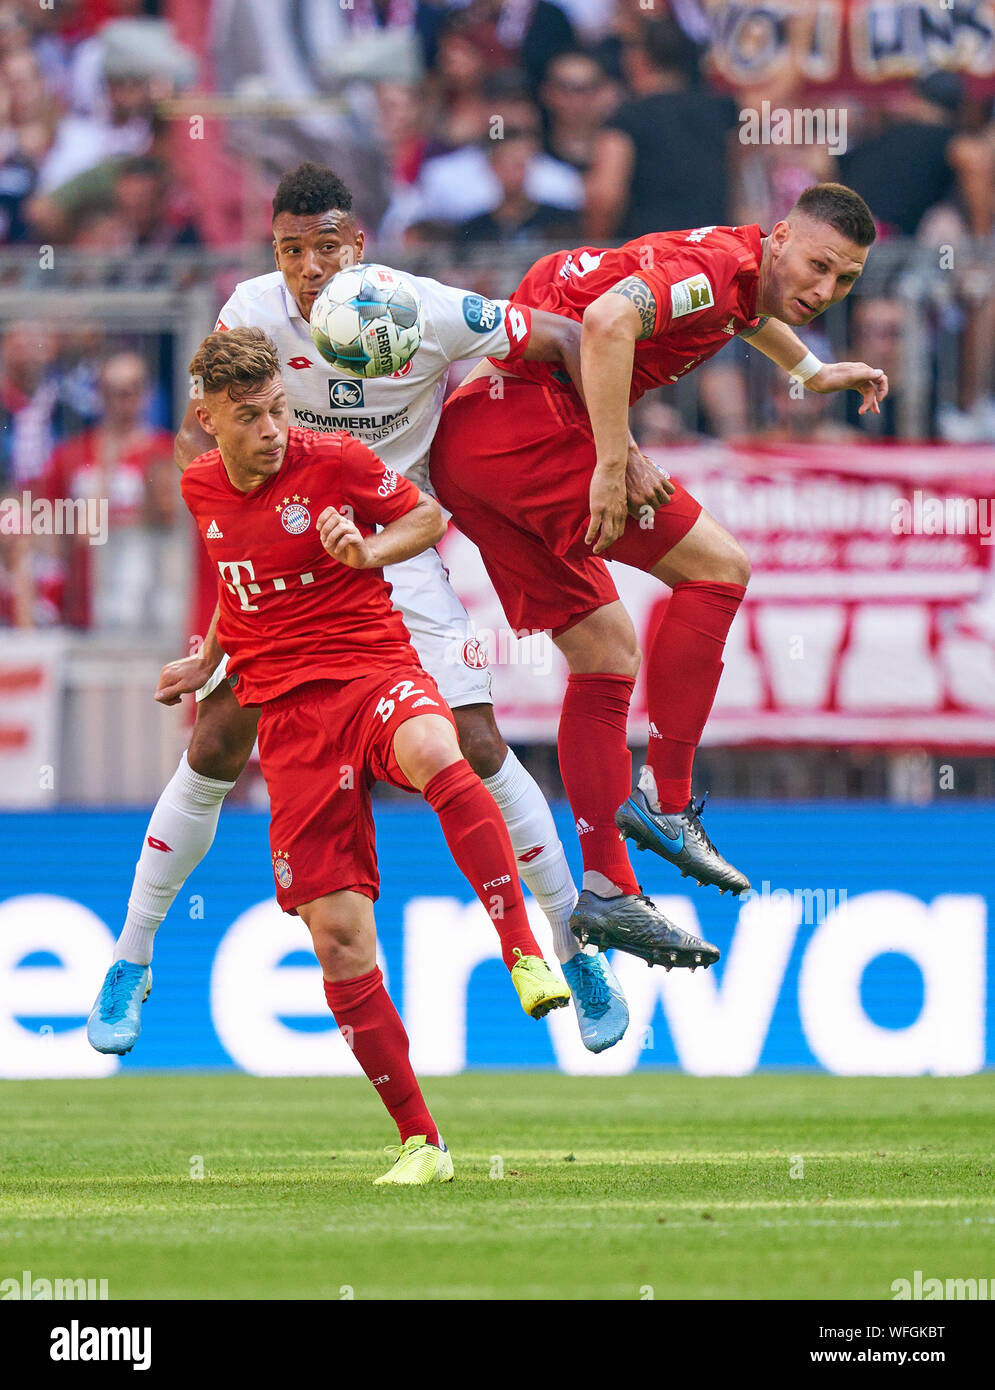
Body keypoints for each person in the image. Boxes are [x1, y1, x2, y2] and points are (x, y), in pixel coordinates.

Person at [86, 162, 701, 1061]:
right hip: (288, 540)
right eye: (291, 249)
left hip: (396, 534)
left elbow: (568, 338)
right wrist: (225, 484)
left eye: (325, 246)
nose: (307, 266)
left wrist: (614, 450)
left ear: (358, 244)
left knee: (478, 743)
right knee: (216, 741)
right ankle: (131, 958)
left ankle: (579, 941)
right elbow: (205, 421)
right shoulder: (252, 311)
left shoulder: (427, 310)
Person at [120, 328, 571, 1183]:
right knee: (338, 940)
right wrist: (208, 659)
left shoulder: (332, 461)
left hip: (371, 668)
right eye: (250, 417)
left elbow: (428, 516)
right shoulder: (199, 486)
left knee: (441, 748)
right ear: (208, 419)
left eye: (279, 410)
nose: (272, 430)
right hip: (288, 718)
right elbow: (236, 576)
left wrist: (367, 550)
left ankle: (521, 946)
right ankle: (422, 1144)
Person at [429, 183, 889, 955]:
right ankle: (667, 799)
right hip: (527, 430)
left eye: (843, 280)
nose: (823, 290)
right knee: (719, 568)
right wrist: (615, 458)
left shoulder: (741, 273)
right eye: (817, 266)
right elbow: (609, 322)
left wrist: (810, 372)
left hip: (473, 451)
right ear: (779, 238)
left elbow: (747, 312)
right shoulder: (713, 267)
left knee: (605, 652)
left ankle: (608, 889)